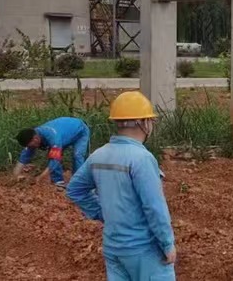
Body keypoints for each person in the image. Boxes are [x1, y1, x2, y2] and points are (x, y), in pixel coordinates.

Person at [66, 91, 176, 281]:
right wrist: (167, 244)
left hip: (113, 248)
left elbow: (75, 189)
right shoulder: (142, 158)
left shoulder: (99, 155)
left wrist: (101, 212)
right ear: (144, 123)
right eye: (151, 120)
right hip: (144, 249)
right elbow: (154, 207)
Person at [13, 117, 90, 189]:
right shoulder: (32, 136)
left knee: (77, 155)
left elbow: (55, 160)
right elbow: (23, 158)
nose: (32, 148)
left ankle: (79, 181)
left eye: (32, 146)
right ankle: (58, 181)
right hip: (64, 134)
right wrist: (16, 175)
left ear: (36, 139)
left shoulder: (52, 137)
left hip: (80, 131)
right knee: (52, 153)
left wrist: (40, 177)